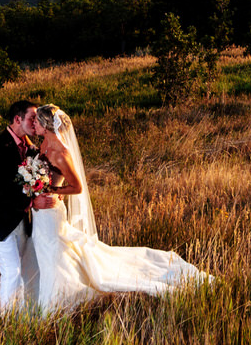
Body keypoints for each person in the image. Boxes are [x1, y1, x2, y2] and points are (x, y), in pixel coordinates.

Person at [27, 103, 214, 313]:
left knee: (54, 254)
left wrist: (51, 189)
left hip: (52, 210)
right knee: (48, 252)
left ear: (46, 124)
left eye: (36, 121)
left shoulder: (61, 154)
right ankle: (50, 296)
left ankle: (55, 303)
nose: (34, 124)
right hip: (39, 213)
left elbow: (77, 187)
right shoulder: (42, 145)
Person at [0, 99, 55, 312]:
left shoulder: (30, 148)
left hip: (21, 220)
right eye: (32, 118)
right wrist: (31, 202)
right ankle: (8, 321)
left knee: (24, 270)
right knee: (11, 271)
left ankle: (24, 315)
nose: (35, 122)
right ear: (17, 119)